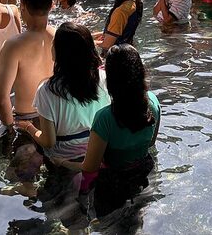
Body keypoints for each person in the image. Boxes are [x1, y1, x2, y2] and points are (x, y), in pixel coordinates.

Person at [56, 44, 160, 218]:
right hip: (143, 172)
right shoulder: (154, 103)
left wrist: (62, 162)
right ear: (140, 71)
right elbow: (151, 142)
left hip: (113, 182)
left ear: (111, 81)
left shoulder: (105, 118)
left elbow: (90, 167)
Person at [16, 22, 111, 163]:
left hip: (64, 158)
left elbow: (48, 141)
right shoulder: (104, 78)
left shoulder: (47, 90)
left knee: (21, 154)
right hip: (99, 150)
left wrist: (29, 127)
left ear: (61, 53)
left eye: (54, 44)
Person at [0, 0, 56, 128]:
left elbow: (1, 100)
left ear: (22, 5)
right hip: (56, 116)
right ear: (52, 5)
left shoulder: (13, 45)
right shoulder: (61, 36)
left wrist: (10, 129)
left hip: (26, 119)